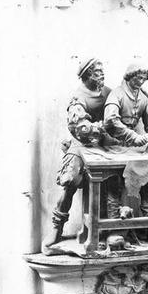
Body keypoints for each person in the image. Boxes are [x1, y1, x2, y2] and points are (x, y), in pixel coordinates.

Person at [42, 57, 112, 255]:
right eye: (97, 72)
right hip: (82, 144)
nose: (102, 75)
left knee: (111, 181)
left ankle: (105, 230)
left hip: (106, 145)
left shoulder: (109, 92)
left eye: (102, 70)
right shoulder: (78, 98)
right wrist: (102, 127)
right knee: (70, 181)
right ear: (87, 75)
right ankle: (57, 228)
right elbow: (80, 128)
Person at [104, 62, 148, 250]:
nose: (140, 82)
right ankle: (115, 232)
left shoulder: (144, 99)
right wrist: (133, 137)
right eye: (137, 78)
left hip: (135, 148)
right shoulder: (116, 94)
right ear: (129, 77)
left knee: (147, 180)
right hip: (114, 145)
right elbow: (110, 121)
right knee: (114, 188)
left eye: (143, 79)